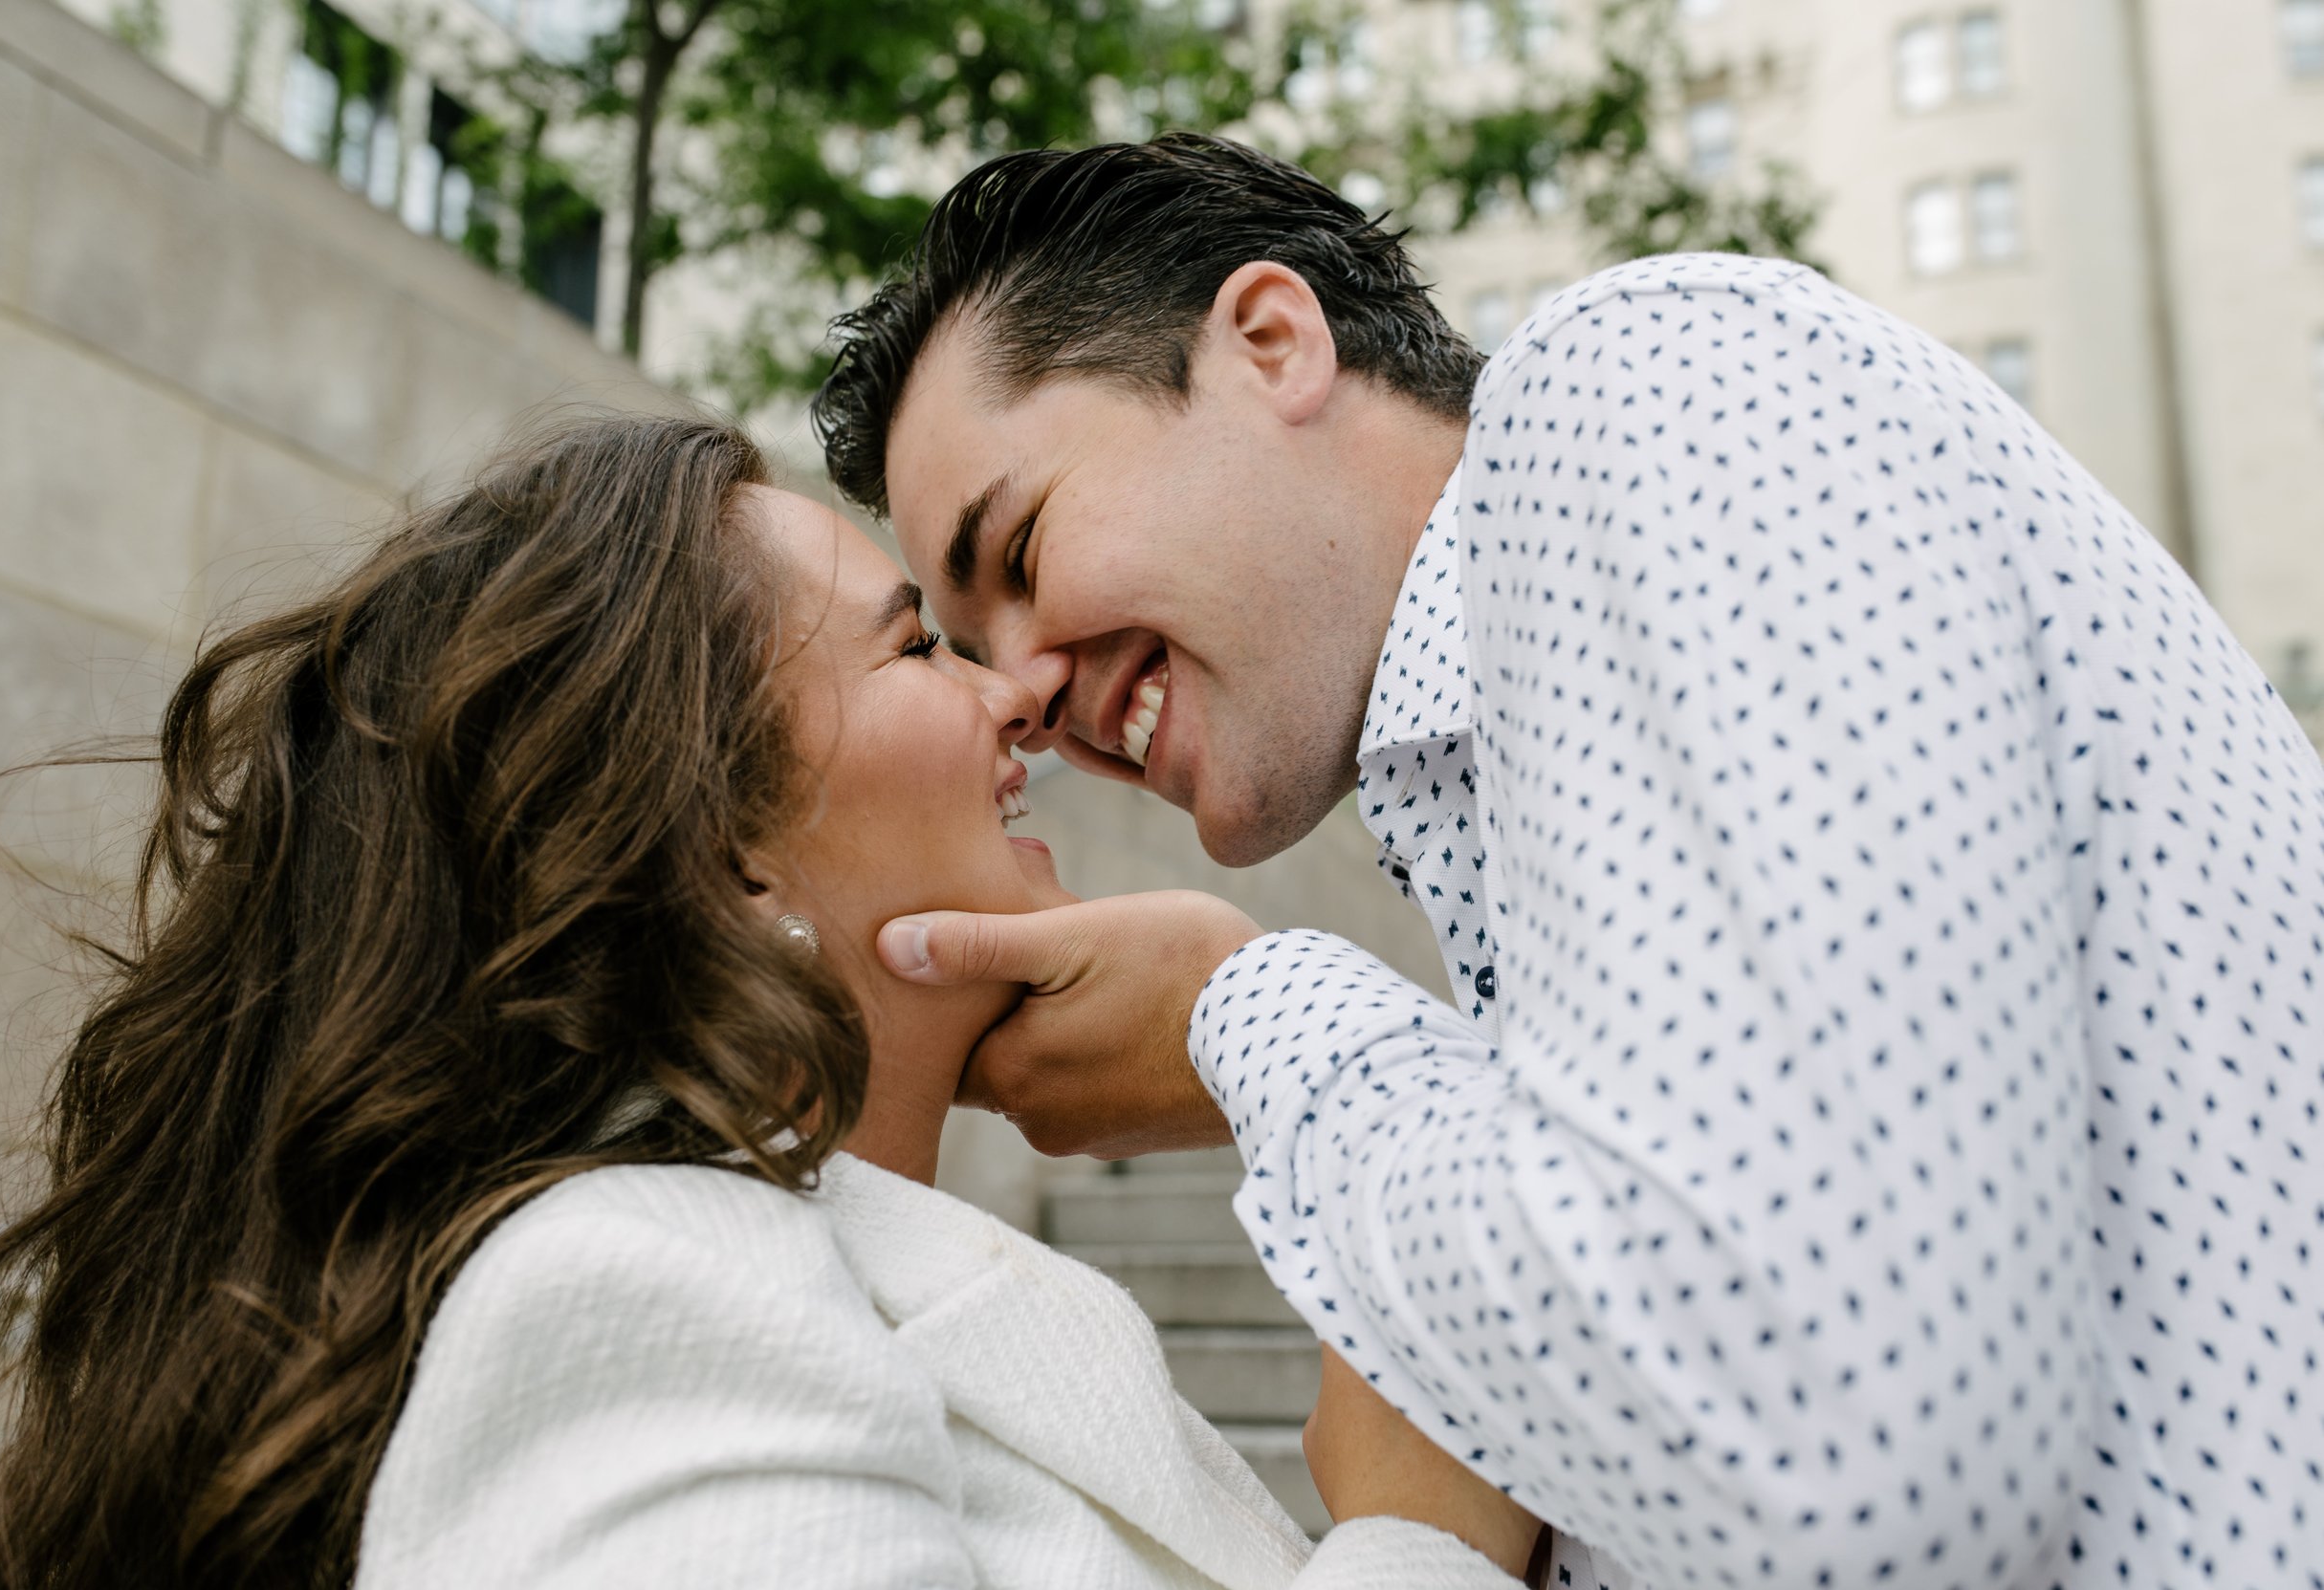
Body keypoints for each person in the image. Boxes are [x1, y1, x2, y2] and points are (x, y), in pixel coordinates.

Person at [809, 133, 2324, 1589]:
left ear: (1272, 342)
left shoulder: (1651, 379)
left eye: (1018, 554)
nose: (1019, 688)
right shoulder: (1520, 789)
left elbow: (1854, 1455)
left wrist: (1242, 1018)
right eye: (962, 644)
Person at [0, 415, 1541, 1589]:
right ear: (722, 854)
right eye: (920, 647)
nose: (1020, 701)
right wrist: (1419, 1543)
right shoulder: (639, 1284)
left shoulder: (792, 1291)